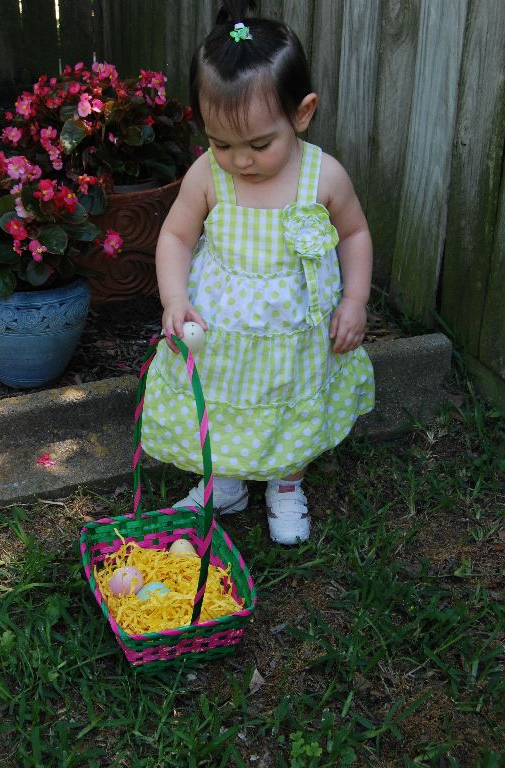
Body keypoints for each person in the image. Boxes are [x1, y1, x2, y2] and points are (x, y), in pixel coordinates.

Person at [141, 0, 374, 545]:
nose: (240, 160)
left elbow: (355, 234)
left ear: (302, 113)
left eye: (260, 144)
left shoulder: (323, 176)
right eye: (221, 143)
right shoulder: (208, 175)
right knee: (223, 403)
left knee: (291, 402)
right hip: (222, 336)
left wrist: (355, 301)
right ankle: (225, 480)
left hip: (295, 336)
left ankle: (286, 482)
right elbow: (176, 236)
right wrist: (174, 299)